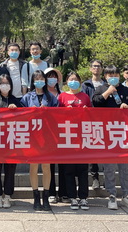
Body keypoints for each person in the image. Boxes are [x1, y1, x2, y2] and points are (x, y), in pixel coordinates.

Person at [92, 65, 128, 210]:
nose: (113, 77)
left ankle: (126, 195)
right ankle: (111, 195)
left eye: (115, 75)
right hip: (107, 133)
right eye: (110, 75)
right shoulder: (100, 89)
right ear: (105, 77)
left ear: (119, 76)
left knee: (124, 167)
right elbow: (96, 102)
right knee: (109, 167)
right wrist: (108, 92)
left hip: (123, 133)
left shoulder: (125, 90)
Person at [21, 70, 58, 211]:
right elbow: (21, 115)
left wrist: (47, 111)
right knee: (34, 166)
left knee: (47, 166)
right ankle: (36, 197)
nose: (39, 81)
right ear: (32, 81)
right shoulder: (27, 97)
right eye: (36, 79)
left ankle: (46, 197)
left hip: (47, 136)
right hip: (32, 136)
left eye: (42, 78)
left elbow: (58, 114)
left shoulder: (51, 97)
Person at [57, 71, 91, 211]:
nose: (73, 82)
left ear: (80, 82)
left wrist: (86, 111)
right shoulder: (62, 97)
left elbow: (93, 115)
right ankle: (72, 197)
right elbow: (56, 115)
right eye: (71, 79)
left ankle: (83, 197)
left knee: (83, 170)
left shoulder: (85, 97)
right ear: (67, 82)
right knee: (69, 169)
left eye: (76, 79)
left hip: (82, 136)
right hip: (68, 137)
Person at [0, 74, 21, 208]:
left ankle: (7, 195)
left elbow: (23, 116)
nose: (4, 85)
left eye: (7, 83)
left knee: (10, 168)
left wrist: (16, 109)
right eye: (2, 83)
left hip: (11, 139)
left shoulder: (15, 100)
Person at [81, 59, 105, 190]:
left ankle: (107, 176)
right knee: (92, 149)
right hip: (90, 119)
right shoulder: (86, 85)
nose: (96, 68)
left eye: (99, 66)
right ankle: (95, 177)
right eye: (94, 66)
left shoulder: (106, 84)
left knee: (106, 149)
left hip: (105, 119)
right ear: (90, 69)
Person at [45, 67, 67, 203]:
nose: (52, 79)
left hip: (63, 131)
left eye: (54, 76)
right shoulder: (42, 94)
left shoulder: (63, 94)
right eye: (49, 76)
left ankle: (63, 192)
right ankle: (51, 192)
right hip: (48, 132)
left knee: (63, 163)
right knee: (50, 164)